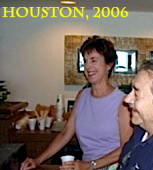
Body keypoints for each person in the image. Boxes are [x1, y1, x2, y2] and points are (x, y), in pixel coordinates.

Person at [20, 36, 133, 170]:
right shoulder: (82, 95)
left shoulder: (122, 102)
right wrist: (38, 160)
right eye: (85, 61)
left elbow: (127, 147)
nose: (87, 66)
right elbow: (66, 133)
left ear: (109, 65)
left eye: (93, 60)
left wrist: (91, 165)